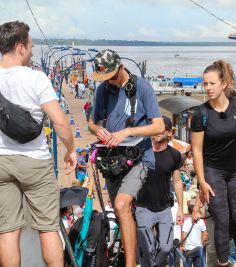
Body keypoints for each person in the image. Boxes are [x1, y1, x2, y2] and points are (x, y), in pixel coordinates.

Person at [0, 21, 77, 266]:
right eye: (31, 46)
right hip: (35, 162)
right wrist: (71, 150)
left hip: (1, 162)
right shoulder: (36, 78)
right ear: (20, 47)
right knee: (47, 227)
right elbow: (60, 123)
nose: (33, 51)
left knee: (8, 231)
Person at [88, 49, 164, 266]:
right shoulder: (103, 89)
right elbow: (92, 123)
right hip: (113, 161)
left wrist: (129, 132)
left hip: (139, 158)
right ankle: (133, 256)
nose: (109, 82)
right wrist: (97, 131)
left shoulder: (142, 87)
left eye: (111, 77)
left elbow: (158, 126)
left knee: (121, 205)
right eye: (104, 78)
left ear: (120, 67)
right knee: (122, 213)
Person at [191, 60, 236, 266]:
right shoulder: (200, 114)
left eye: (212, 83)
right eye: (205, 84)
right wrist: (201, 181)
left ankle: (230, 241)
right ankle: (223, 262)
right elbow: (197, 150)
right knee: (220, 218)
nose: (208, 88)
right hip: (213, 171)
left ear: (224, 84)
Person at [135, 116, 184, 267]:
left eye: (161, 129)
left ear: (169, 133)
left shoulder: (175, 155)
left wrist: (181, 208)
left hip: (164, 208)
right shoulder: (141, 151)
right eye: (154, 128)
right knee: (148, 248)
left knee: (166, 247)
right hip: (143, 207)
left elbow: (177, 181)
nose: (156, 132)